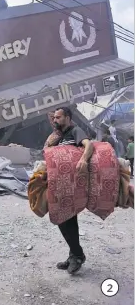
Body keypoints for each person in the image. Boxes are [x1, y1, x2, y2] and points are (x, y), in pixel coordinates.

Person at [52, 107, 94, 274]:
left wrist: (84, 159)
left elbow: (88, 144)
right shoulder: (61, 137)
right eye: (54, 117)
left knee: (64, 219)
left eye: (59, 117)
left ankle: (77, 255)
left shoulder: (75, 130)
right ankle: (73, 256)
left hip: (73, 184)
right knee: (67, 219)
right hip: (62, 184)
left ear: (68, 117)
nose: (55, 120)